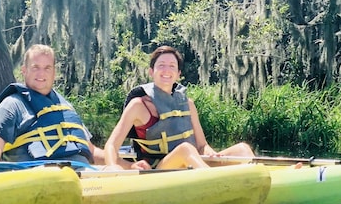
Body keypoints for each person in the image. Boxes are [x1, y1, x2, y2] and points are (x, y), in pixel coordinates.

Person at [102, 45, 254, 170]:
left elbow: (202, 145)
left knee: (242, 149)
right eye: (161, 65)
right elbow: (111, 146)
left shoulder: (188, 104)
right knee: (185, 149)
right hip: (158, 170)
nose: (166, 70)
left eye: (172, 66)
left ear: (178, 73)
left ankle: (260, 184)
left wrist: (210, 153)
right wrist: (122, 167)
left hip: (190, 164)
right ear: (151, 71)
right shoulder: (138, 105)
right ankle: (216, 183)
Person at [0, 44, 124, 166]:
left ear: (54, 72)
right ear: (24, 71)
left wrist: (126, 165)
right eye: (35, 67)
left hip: (81, 174)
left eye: (47, 68)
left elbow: (91, 151)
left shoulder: (66, 106)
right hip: (39, 176)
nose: (41, 73)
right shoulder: (12, 105)